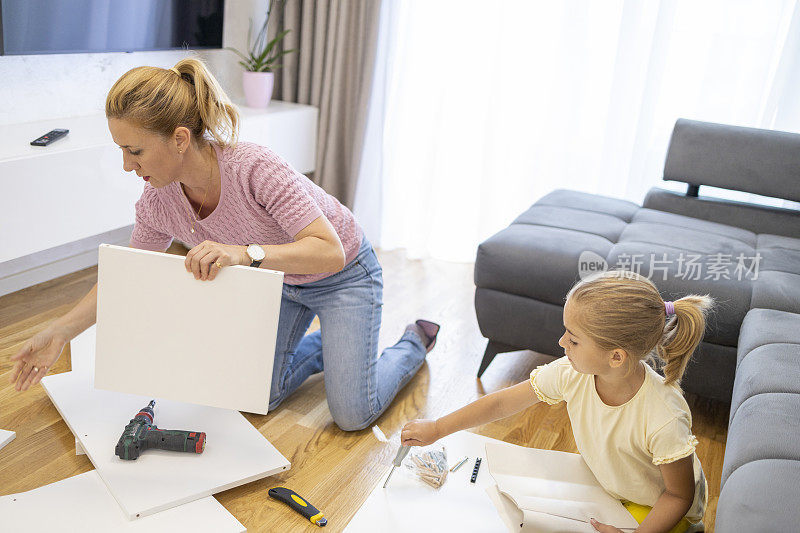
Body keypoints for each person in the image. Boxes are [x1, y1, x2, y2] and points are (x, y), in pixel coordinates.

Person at [9, 57, 440, 432]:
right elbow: (126, 276)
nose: (126, 166)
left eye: (135, 151)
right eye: (122, 150)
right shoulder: (158, 201)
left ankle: (412, 342)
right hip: (279, 283)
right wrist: (60, 331)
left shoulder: (254, 168)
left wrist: (243, 253)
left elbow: (329, 251)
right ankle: (334, 347)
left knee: (351, 414)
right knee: (254, 398)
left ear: (179, 139)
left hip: (343, 276)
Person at [402, 270, 710, 533]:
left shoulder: (663, 416)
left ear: (616, 357)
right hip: (611, 487)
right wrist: (437, 428)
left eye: (573, 339)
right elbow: (500, 404)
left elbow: (678, 496)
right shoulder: (572, 372)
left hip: (656, 506)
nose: (562, 343)